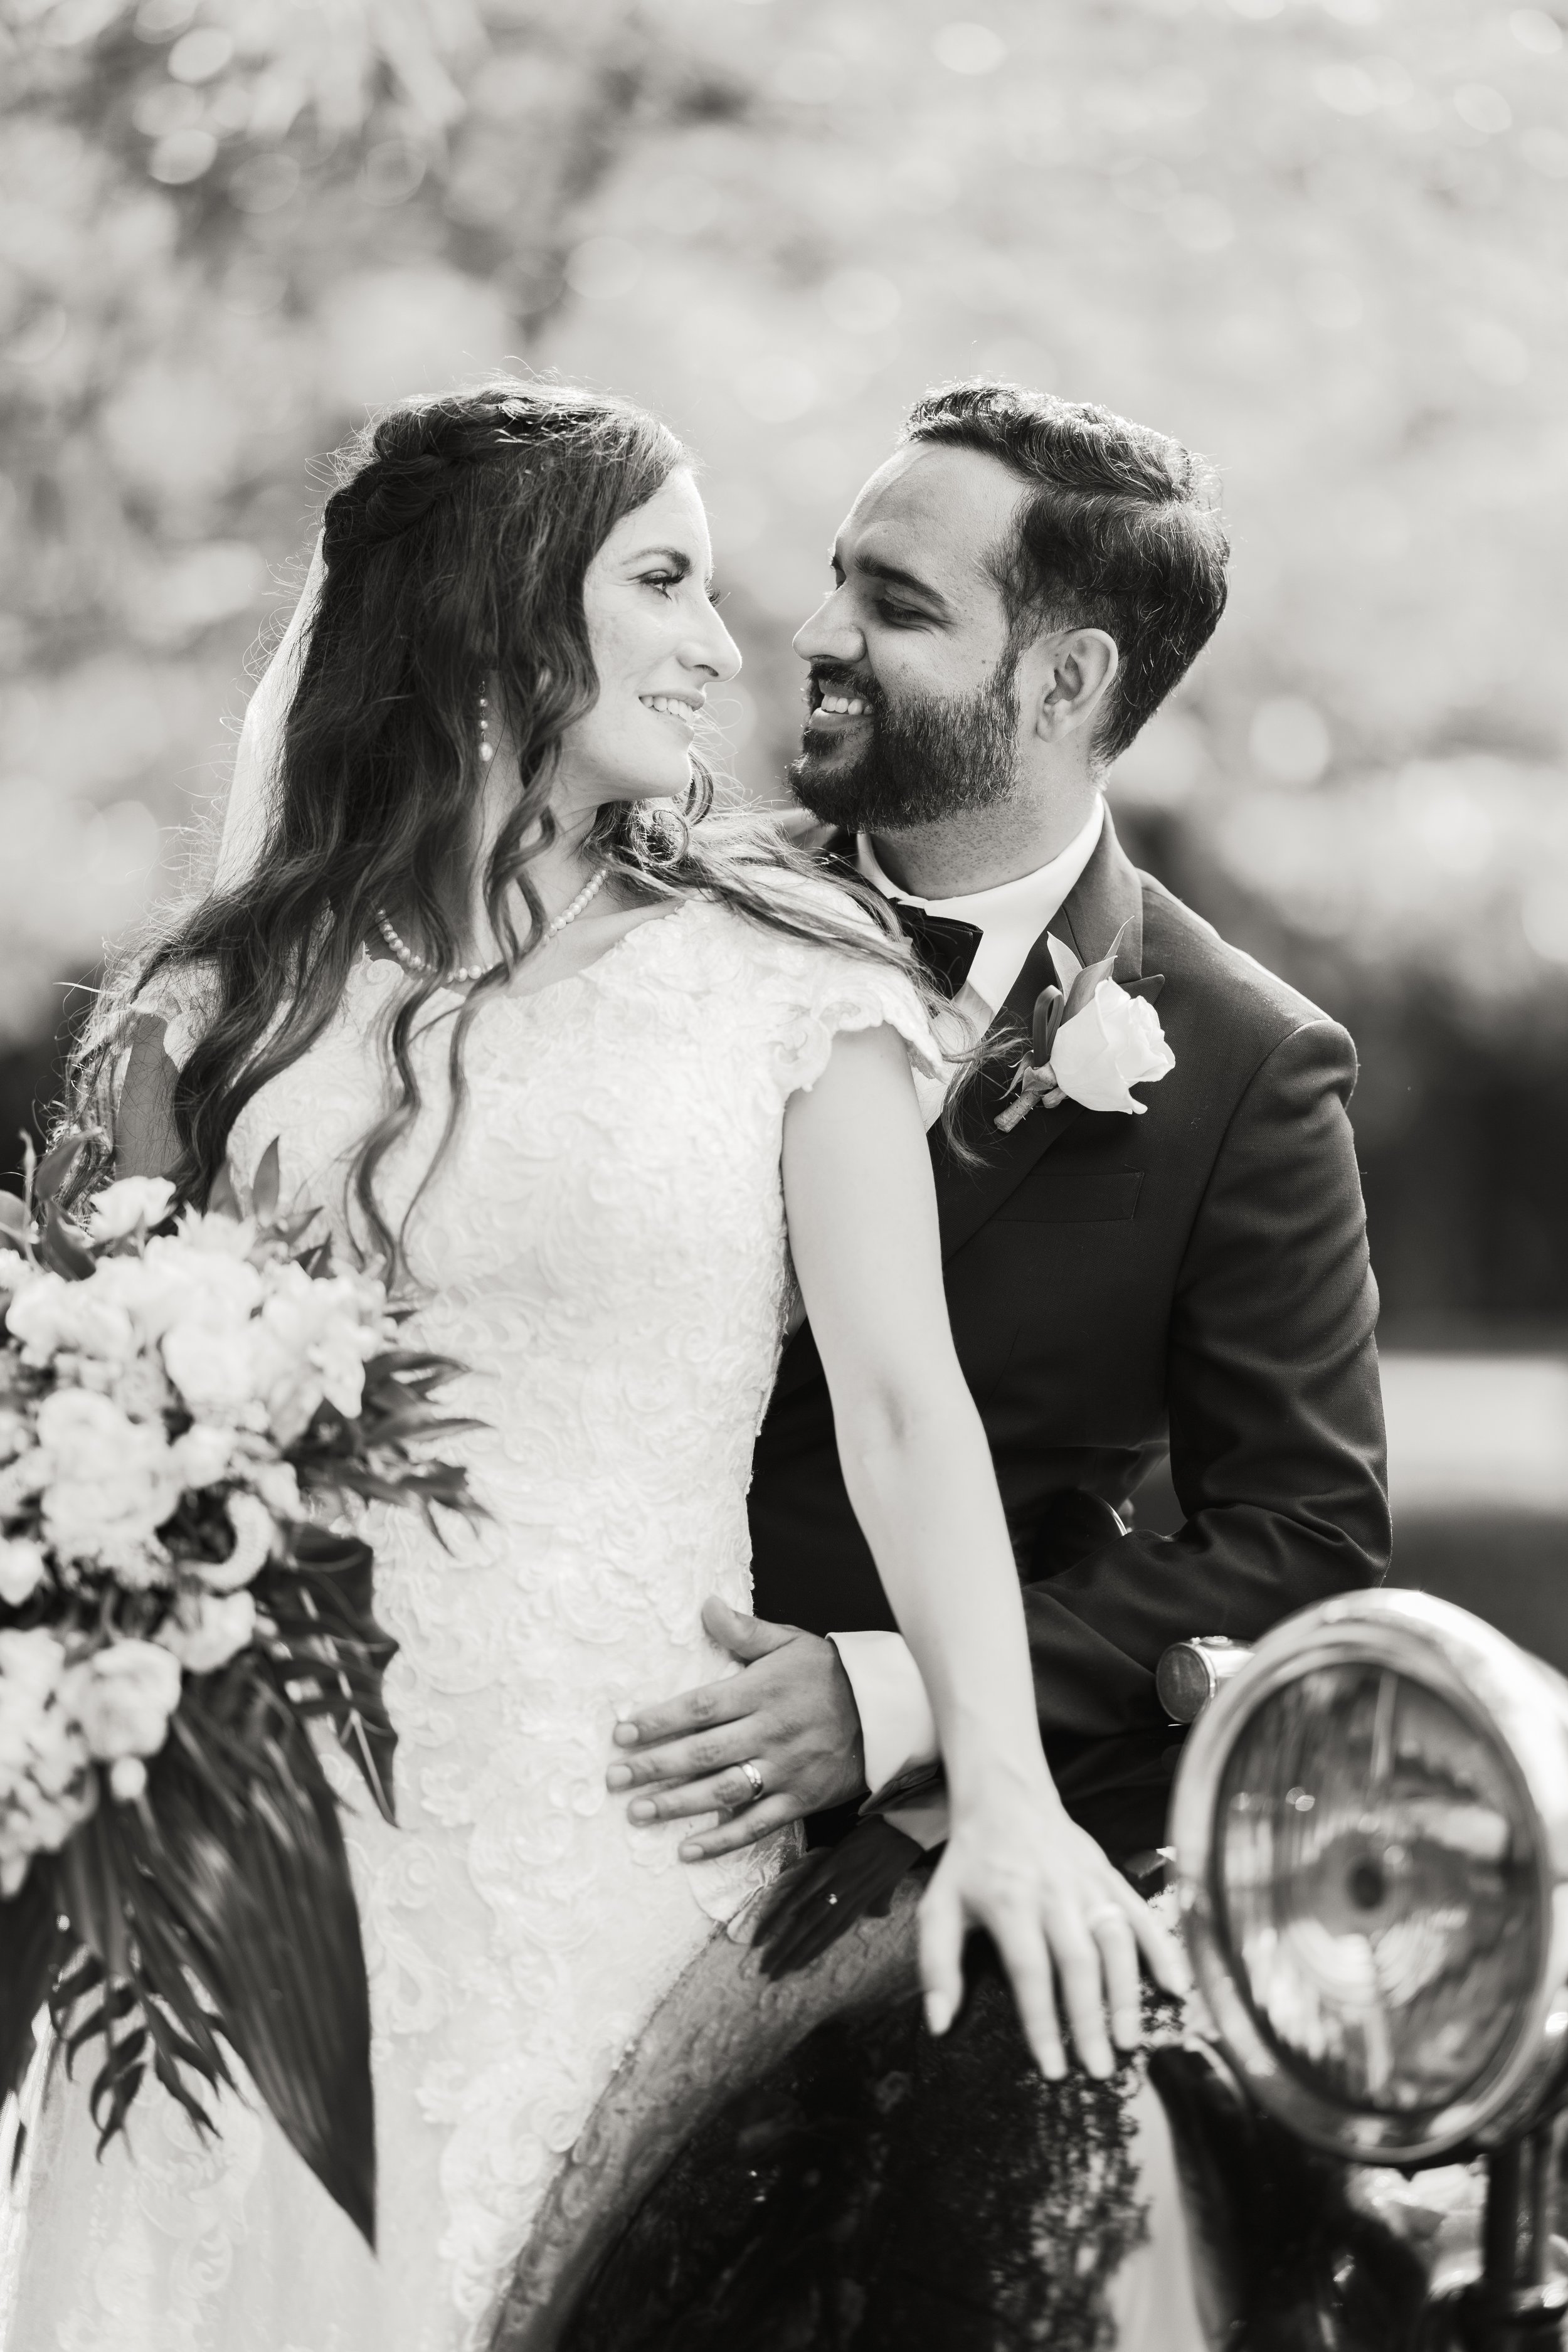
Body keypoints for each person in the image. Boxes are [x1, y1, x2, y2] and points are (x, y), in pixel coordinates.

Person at [0, 380, 1182, 2352]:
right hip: (250, 1873)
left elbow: (906, 1409)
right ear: (497, 619)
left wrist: (1000, 1795)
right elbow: (76, 1408)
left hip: (614, 1852)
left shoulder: (792, 984)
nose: (729, 645)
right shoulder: (218, 1008)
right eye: (664, 580)